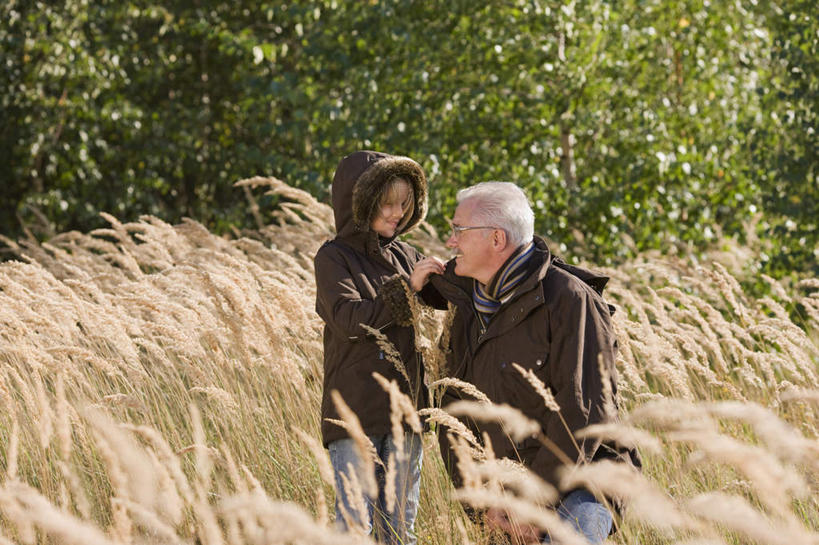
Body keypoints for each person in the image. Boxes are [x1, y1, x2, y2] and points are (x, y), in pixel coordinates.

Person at [409, 182, 639, 544]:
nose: (450, 242)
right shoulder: (468, 308)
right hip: (502, 497)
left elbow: (583, 412)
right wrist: (483, 503)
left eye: (458, 230)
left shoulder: (570, 301)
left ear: (496, 239)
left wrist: (534, 503)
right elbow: (456, 413)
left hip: (581, 483)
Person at [314, 150, 435, 545]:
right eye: (388, 203)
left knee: (400, 530)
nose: (398, 212)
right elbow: (349, 320)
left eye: (405, 203)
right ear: (361, 202)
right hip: (355, 412)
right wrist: (407, 289)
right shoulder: (333, 258)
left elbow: (448, 296)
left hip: (405, 411)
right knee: (354, 529)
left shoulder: (407, 254)